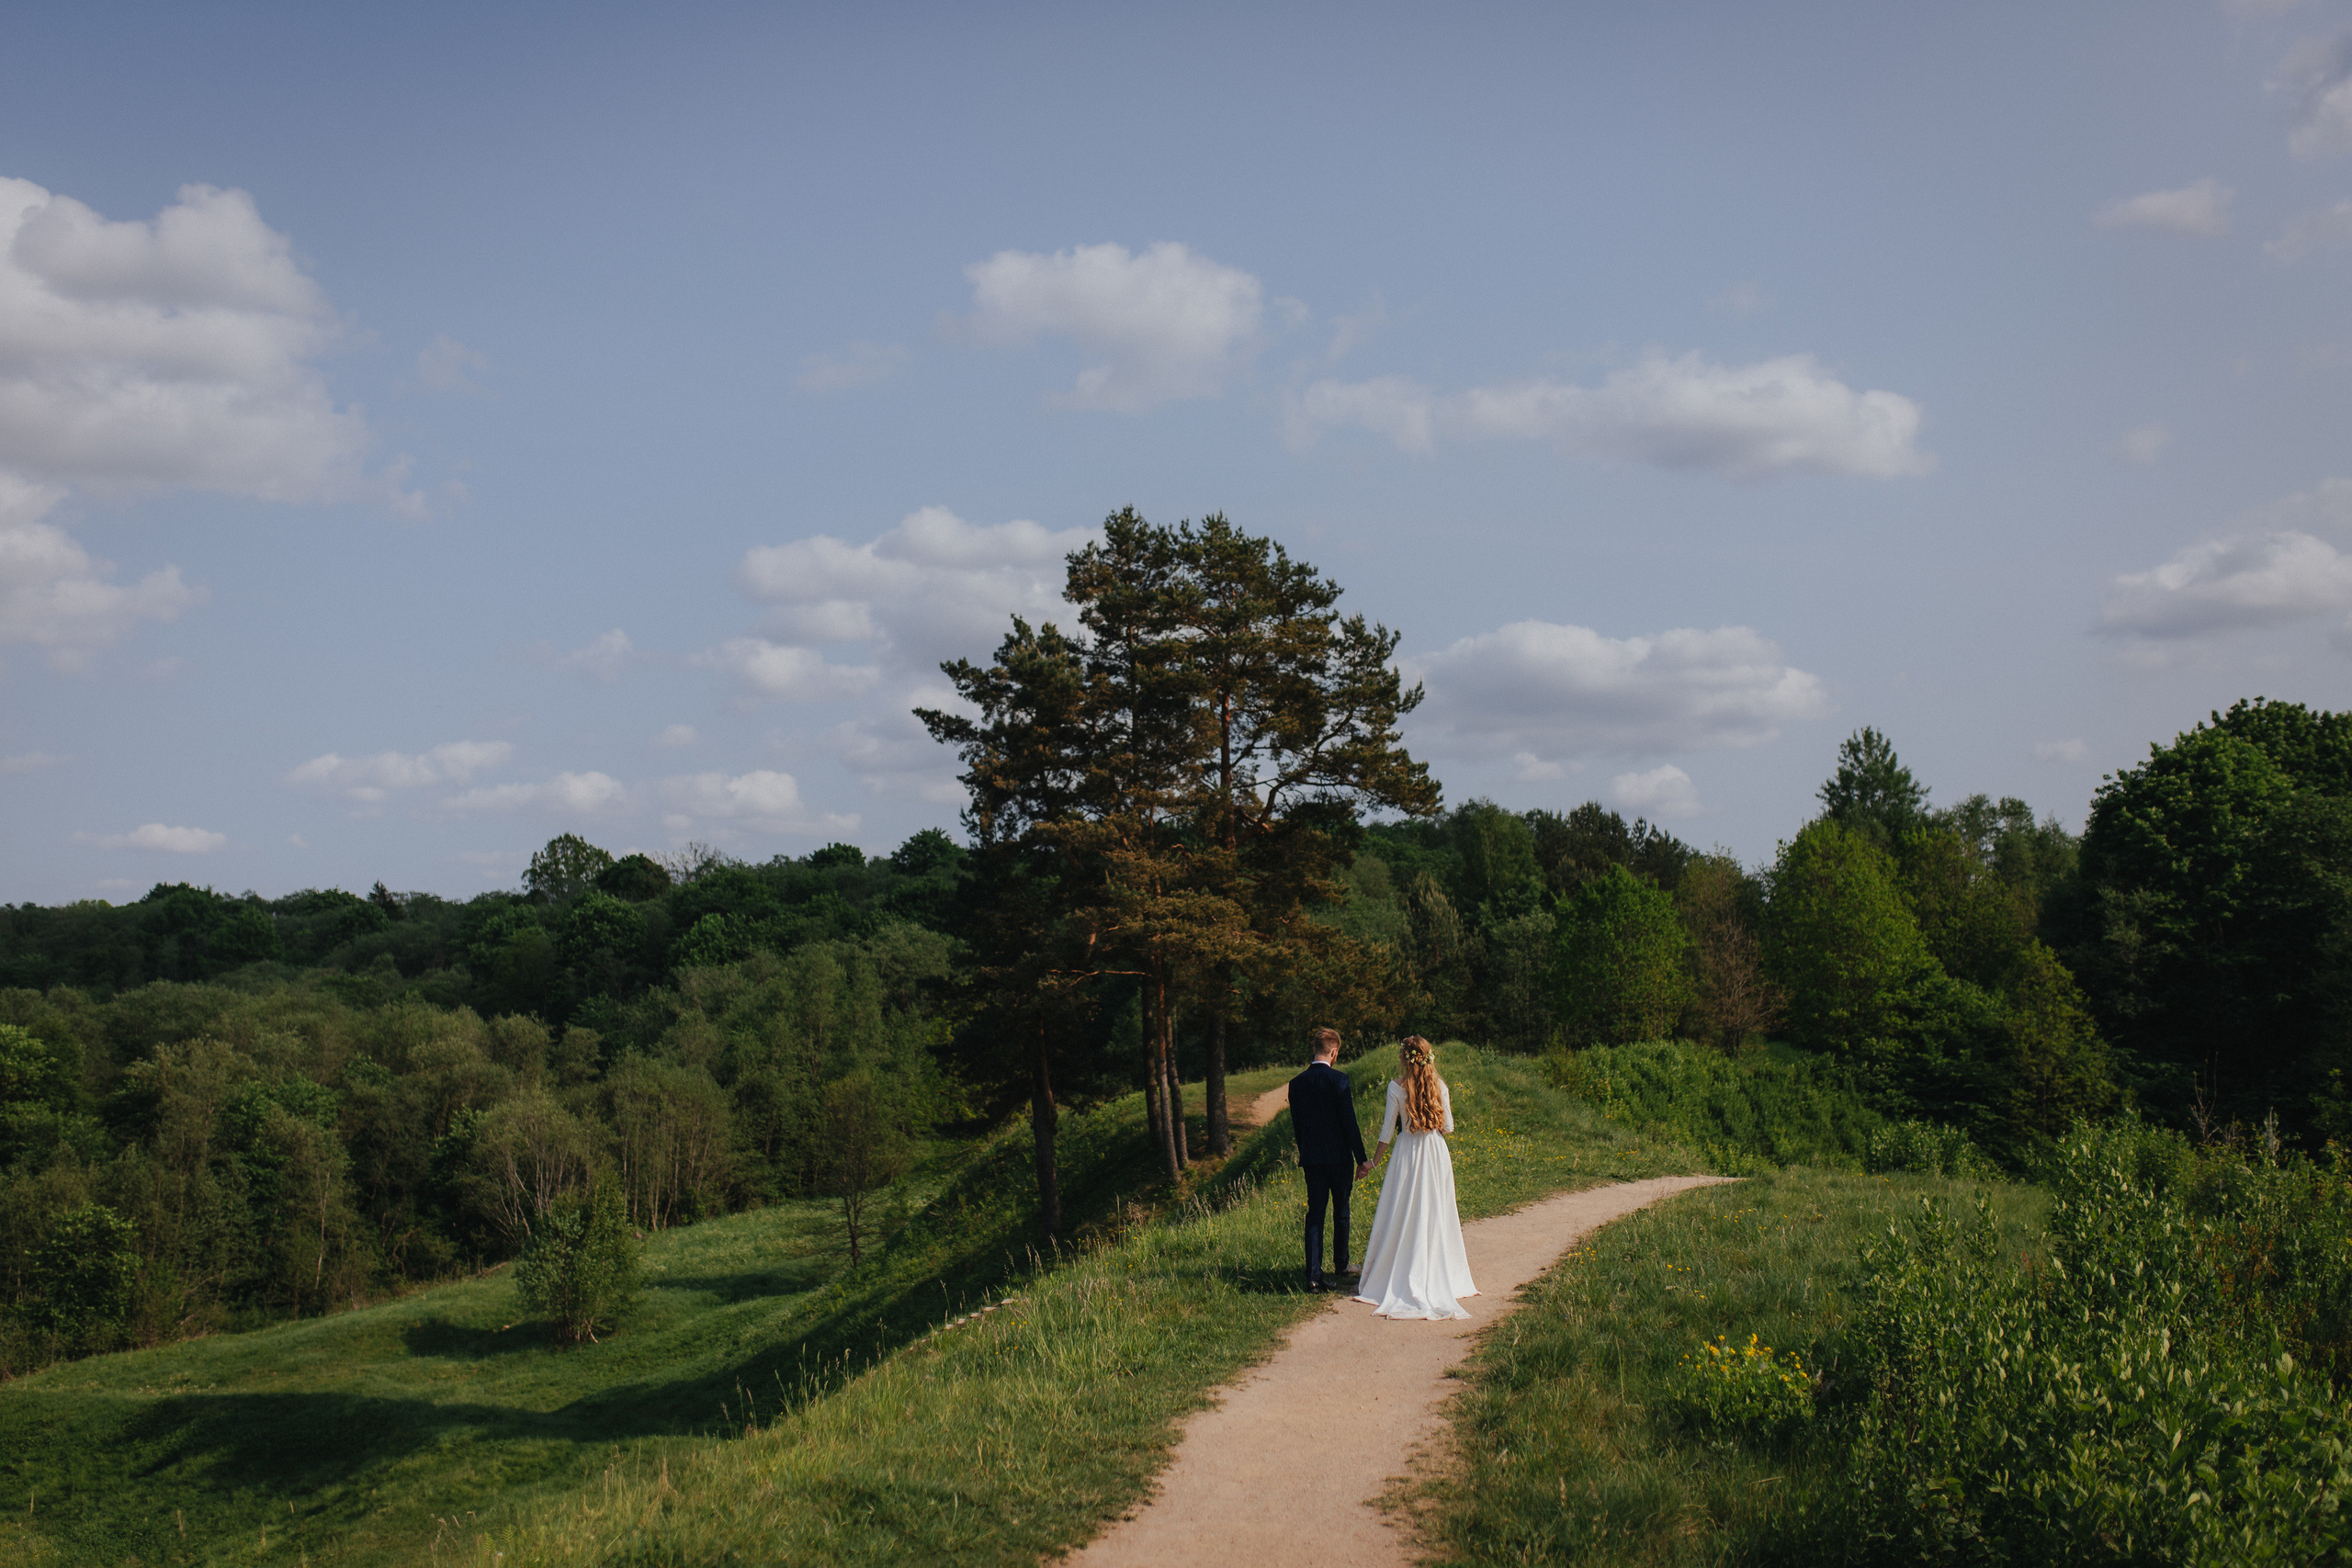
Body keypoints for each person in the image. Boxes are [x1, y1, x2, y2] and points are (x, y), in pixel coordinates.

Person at [1353, 1035, 1477, 1320]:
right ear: (1428, 1057)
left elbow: (1386, 1132)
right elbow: (1448, 1126)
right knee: (1436, 1210)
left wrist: (1373, 1161)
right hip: (1435, 1153)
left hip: (1407, 1153)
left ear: (1404, 1058)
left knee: (1402, 1210)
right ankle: (1441, 1271)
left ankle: (1398, 1269)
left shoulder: (1395, 1088)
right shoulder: (1440, 1086)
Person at [1286, 1026, 1369, 1292]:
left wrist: (1305, 1151)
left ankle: (1313, 1275)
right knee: (1341, 1211)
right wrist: (1361, 1158)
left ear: (1315, 1050)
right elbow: (1350, 1123)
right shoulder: (1340, 1081)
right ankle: (1341, 1264)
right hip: (1339, 1158)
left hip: (1312, 1159)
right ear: (1333, 1052)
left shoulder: (1296, 1083)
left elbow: (1298, 1126)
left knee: (1315, 1215)